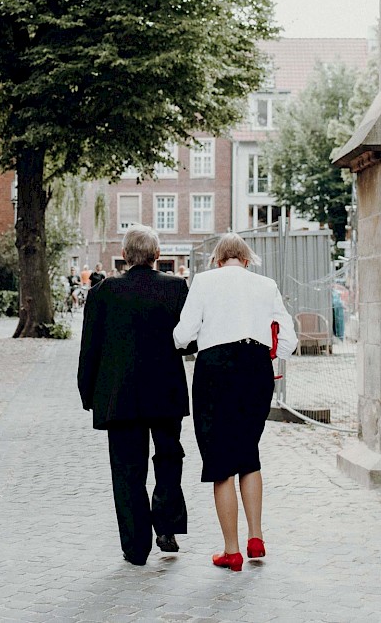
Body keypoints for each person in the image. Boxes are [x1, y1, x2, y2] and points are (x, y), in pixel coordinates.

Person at [173, 232, 297, 572]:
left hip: (215, 368)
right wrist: (270, 355)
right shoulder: (266, 285)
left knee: (219, 459)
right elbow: (289, 338)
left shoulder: (204, 281)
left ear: (217, 259)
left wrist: (182, 340)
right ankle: (256, 536)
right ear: (246, 259)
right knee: (248, 452)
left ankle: (232, 550)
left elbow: (184, 333)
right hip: (255, 367)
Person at [78, 225, 195, 566]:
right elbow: (190, 341)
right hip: (166, 391)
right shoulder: (176, 288)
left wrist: (88, 393)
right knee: (169, 457)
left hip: (120, 396)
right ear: (158, 255)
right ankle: (167, 524)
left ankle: (136, 545)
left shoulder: (103, 292)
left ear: (125, 256)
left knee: (127, 469)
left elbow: (91, 349)